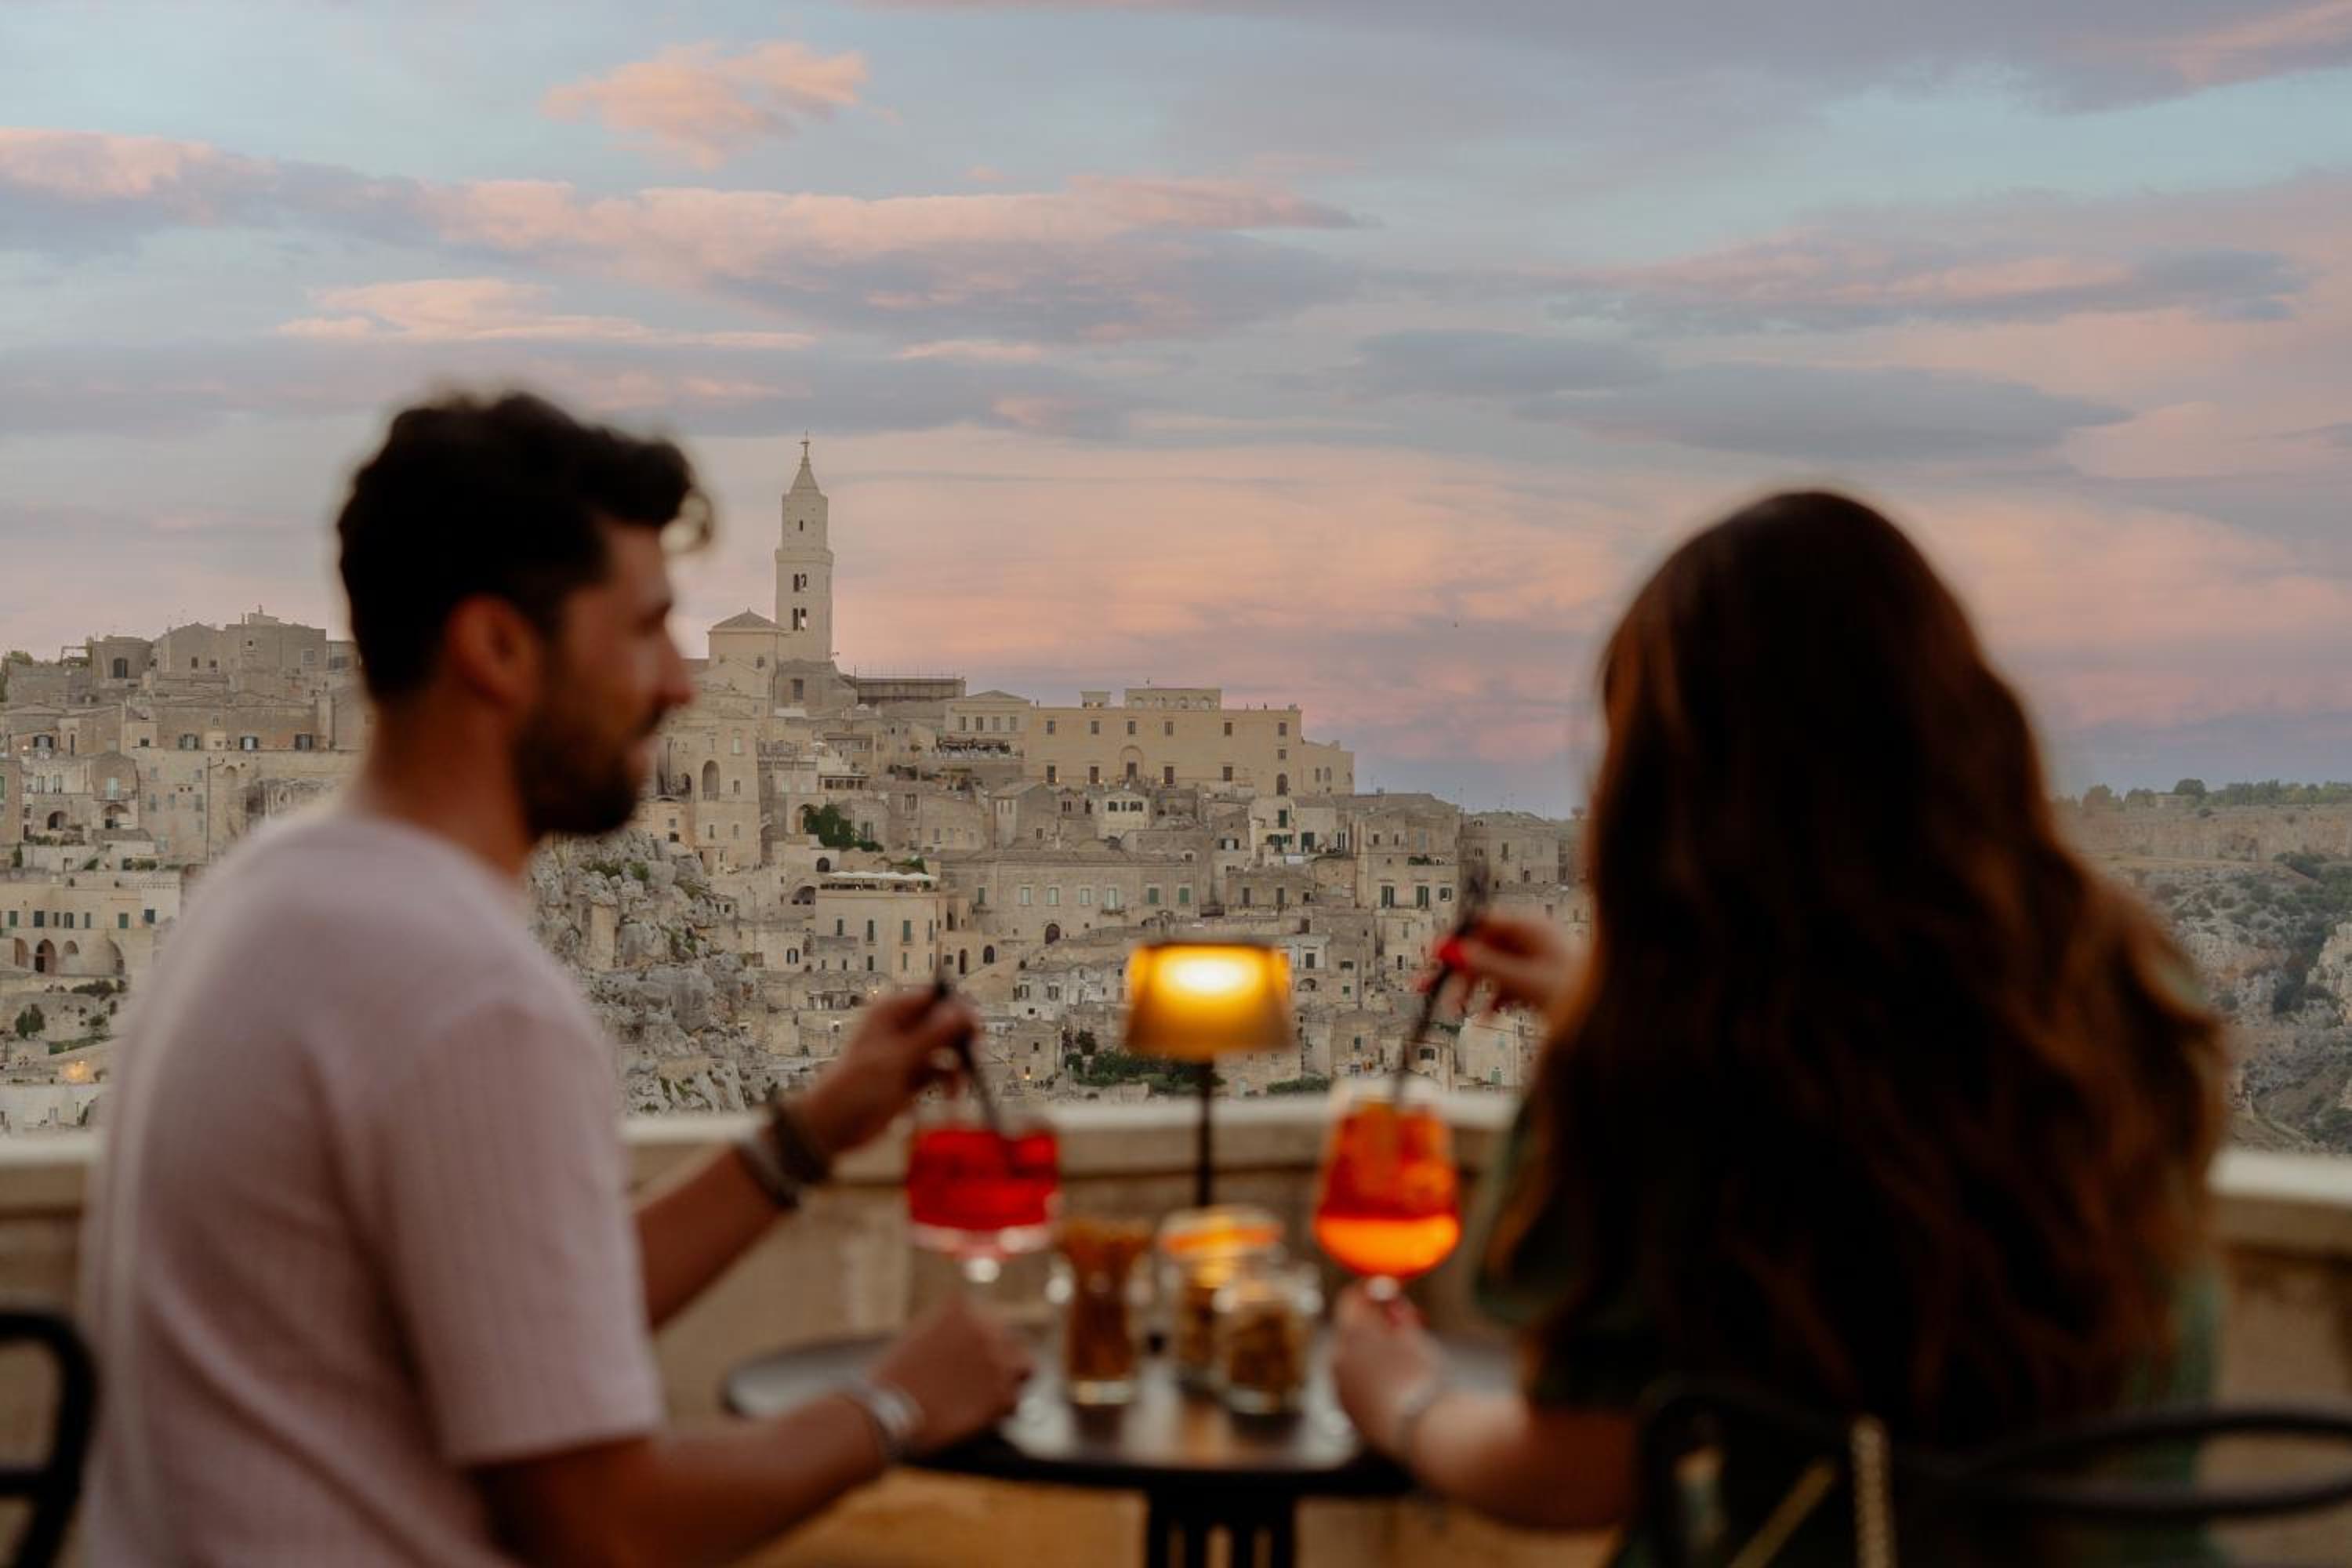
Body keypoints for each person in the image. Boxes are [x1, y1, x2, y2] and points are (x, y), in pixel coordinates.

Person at [82, 391, 1033, 1566]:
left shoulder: (271, 891)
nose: (680, 685)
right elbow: (605, 1528)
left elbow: (523, 1320)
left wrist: (814, 1131)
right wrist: (893, 1408)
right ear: (496, 648)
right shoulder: (464, 995)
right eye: (643, 631)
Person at [1331, 491, 2227, 1559]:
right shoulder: (2118, 975)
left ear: (1665, 779)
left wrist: (1405, 1402)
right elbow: (1894, 1052)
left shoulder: (1657, 1070)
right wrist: (1599, 1002)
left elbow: (1577, 1469)